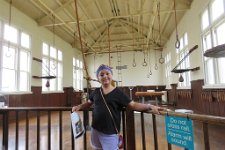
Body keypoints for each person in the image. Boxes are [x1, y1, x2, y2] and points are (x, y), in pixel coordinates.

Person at [72, 64, 163, 150]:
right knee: (97, 148)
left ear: (112, 75)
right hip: (95, 129)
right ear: (98, 78)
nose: (105, 76)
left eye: (107, 73)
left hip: (110, 131)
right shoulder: (96, 92)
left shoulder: (118, 93)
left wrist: (149, 106)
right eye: (101, 74)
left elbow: (133, 105)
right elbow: (88, 103)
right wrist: (79, 106)